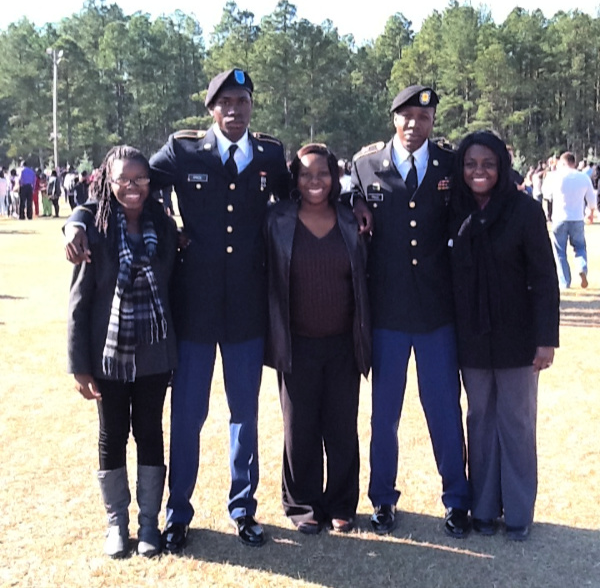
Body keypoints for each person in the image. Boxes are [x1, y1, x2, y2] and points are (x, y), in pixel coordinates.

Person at [65, 68, 290, 551]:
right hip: (193, 309)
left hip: (246, 310)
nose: (234, 110)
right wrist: (77, 220)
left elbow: (305, 196)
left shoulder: (271, 154)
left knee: (244, 416)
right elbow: (125, 180)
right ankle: (177, 513)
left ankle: (243, 509)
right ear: (211, 109)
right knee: (188, 416)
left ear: (252, 106)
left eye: (242, 101)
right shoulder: (184, 149)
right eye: (224, 102)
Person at [349, 85, 471, 538]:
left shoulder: (449, 164)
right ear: (393, 118)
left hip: (437, 312)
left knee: (443, 410)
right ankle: (382, 499)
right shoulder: (366, 167)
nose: (415, 124)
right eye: (407, 116)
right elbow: (344, 202)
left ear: (433, 120)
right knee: (385, 414)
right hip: (388, 313)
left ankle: (457, 500)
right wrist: (355, 201)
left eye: (424, 116)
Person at [67, 145, 178, 558]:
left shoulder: (164, 229)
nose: (133, 188)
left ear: (150, 183)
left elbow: (173, 290)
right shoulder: (92, 231)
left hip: (154, 353)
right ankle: (117, 523)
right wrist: (79, 367)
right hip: (107, 357)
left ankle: (149, 523)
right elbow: (79, 302)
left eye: (140, 179)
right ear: (107, 183)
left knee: (150, 433)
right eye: (124, 180)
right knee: (112, 435)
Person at [449, 131, 559, 541]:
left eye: (488, 164)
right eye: (471, 164)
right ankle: (482, 509)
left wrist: (546, 339)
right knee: (479, 422)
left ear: (502, 167)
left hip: (519, 338)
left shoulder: (524, 211)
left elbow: (545, 280)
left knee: (515, 423)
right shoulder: (454, 210)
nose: (479, 171)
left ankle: (517, 512)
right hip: (472, 338)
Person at [264, 143, 371, 534]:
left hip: (344, 342)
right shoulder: (276, 220)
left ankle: (342, 503)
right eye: (306, 173)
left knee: (342, 427)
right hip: (295, 342)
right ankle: (302, 504)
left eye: (322, 173)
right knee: (299, 428)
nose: (315, 180)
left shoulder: (351, 220)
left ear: (334, 177)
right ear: (295, 177)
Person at [544, 152, 596, 289]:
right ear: (574, 162)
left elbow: (546, 194)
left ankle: (565, 281)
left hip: (559, 217)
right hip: (577, 217)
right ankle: (581, 268)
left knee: (560, 251)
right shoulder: (583, 177)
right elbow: (591, 198)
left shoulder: (555, 176)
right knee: (579, 247)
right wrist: (591, 212)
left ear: (562, 162)